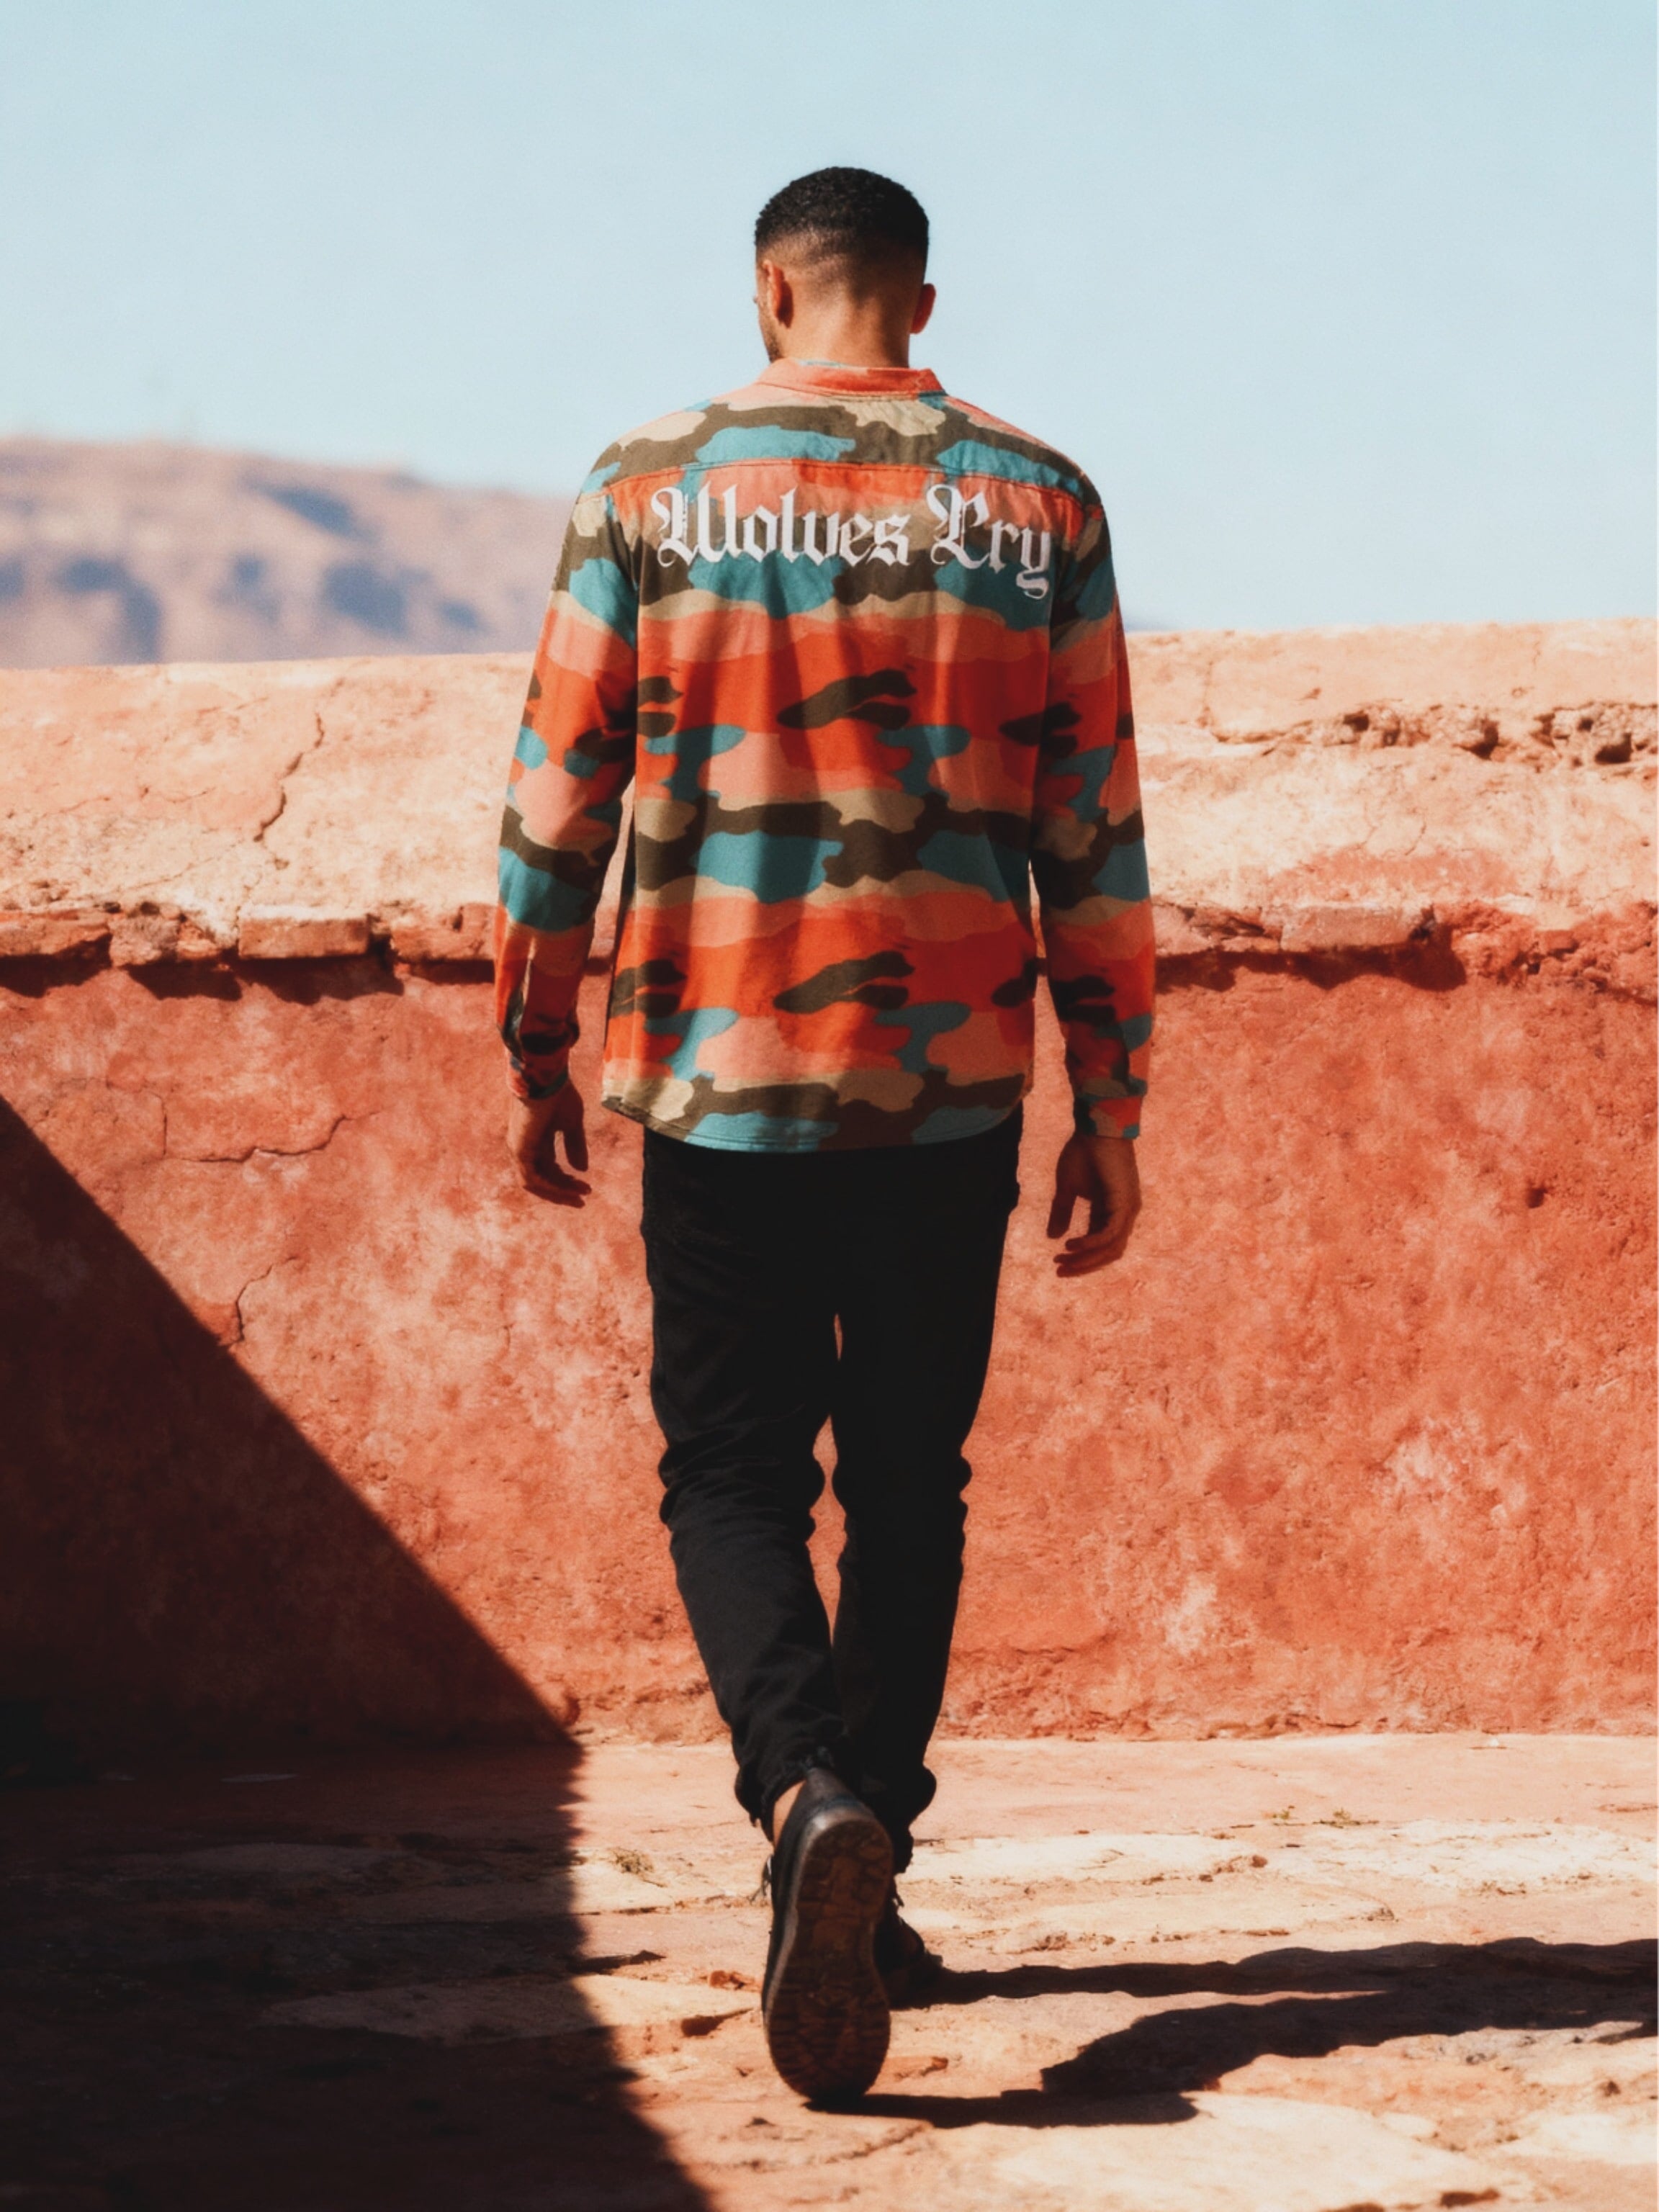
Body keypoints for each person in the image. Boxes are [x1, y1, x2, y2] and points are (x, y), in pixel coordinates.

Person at [495, 166, 1152, 2102]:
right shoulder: (1040, 505)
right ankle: (869, 1828)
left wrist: (536, 1032)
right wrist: (1111, 1093)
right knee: (913, 1483)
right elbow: (1091, 826)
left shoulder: (645, 487)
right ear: (915, 306)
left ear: (774, 293)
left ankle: (800, 1805)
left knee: (727, 1471)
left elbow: (559, 798)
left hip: (718, 1068)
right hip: (947, 1085)